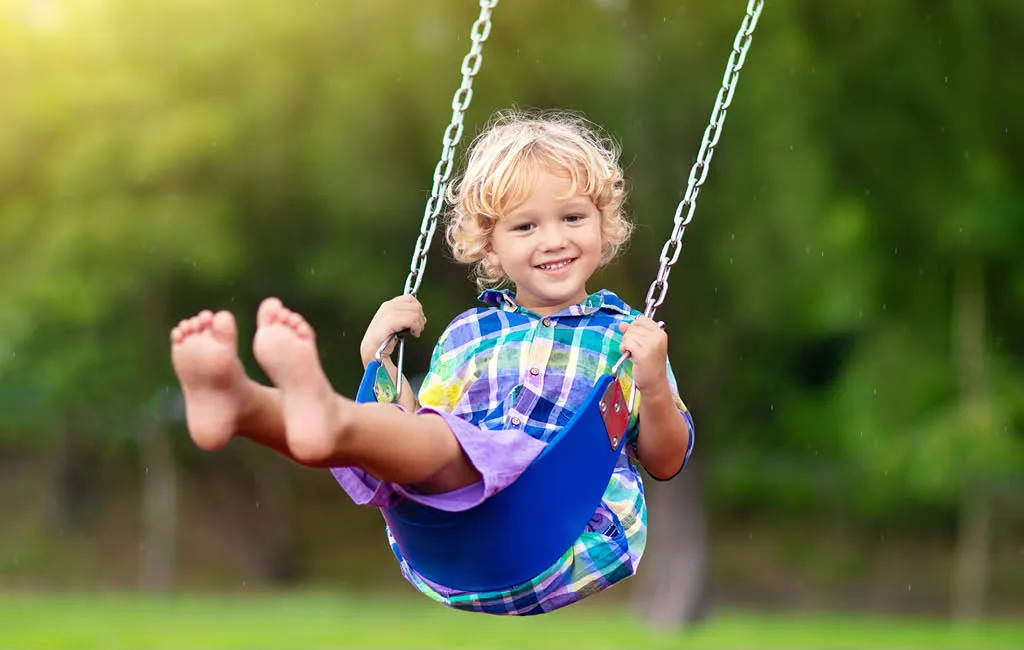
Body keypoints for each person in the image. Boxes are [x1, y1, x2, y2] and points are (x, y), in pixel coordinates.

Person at [170, 109, 694, 615]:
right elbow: (425, 434)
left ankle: (321, 418)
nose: (554, 240)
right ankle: (244, 404)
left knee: (445, 445)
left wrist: (651, 386)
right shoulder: (469, 334)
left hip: (570, 529)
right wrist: (379, 364)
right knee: (422, 435)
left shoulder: (628, 338)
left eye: (573, 217)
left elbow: (666, 460)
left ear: (605, 225)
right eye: (526, 227)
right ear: (490, 246)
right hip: (454, 531)